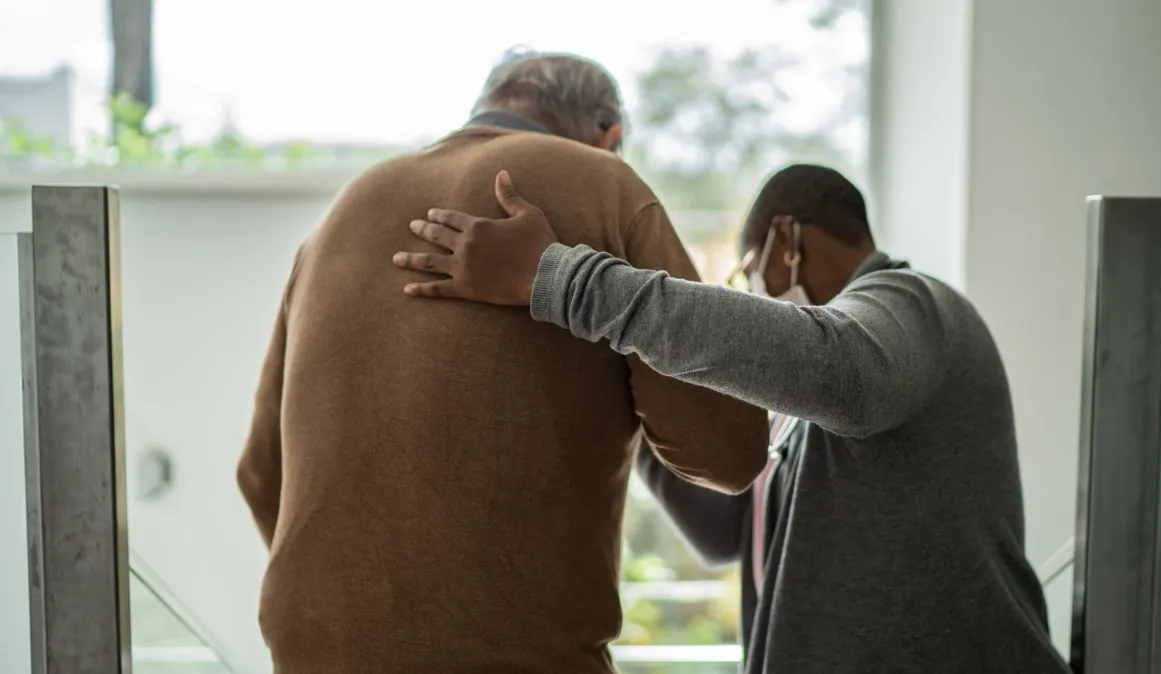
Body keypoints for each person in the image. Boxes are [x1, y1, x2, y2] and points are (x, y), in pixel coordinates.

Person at [391, 165, 1073, 673]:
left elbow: (848, 377)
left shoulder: (913, 303)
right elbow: (726, 533)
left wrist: (564, 282)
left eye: (751, 275)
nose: (755, 292)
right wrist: (639, 384)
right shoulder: (803, 416)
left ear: (787, 240)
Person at [236, 50, 768, 674]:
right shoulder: (604, 183)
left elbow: (259, 474)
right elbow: (727, 449)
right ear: (610, 137)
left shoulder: (341, 215)